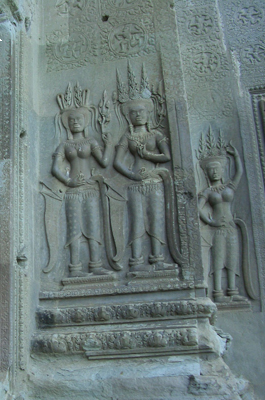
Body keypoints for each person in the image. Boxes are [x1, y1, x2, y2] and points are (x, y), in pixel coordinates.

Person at [51, 101, 115, 277]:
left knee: (92, 226)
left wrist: (108, 145)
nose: (75, 122)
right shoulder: (65, 145)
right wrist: (68, 181)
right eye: (71, 120)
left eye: (79, 119)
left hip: (90, 189)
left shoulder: (91, 141)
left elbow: (104, 162)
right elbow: (55, 168)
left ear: (85, 121)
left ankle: (95, 265)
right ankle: (75, 267)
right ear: (67, 124)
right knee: (74, 228)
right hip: (73, 190)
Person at [113, 98, 174, 271]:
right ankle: (136, 260)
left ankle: (157, 258)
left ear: (148, 114)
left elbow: (166, 156)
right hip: (135, 183)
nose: (138, 115)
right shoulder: (128, 136)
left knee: (156, 219)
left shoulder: (156, 135)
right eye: (134, 112)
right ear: (129, 116)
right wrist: (132, 175)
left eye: (142, 111)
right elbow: (117, 162)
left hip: (154, 180)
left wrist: (147, 154)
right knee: (137, 220)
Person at [198, 146, 246, 302]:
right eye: (211, 170)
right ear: (207, 173)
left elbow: (239, 173)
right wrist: (210, 221)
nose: (215, 172)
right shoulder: (208, 191)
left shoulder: (229, 187)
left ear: (222, 171)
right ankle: (218, 292)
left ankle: (232, 290)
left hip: (230, 227)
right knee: (218, 259)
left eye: (217, 169)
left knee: (232, 259)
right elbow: (197, 207)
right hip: (217, 229)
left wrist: (236, 156)